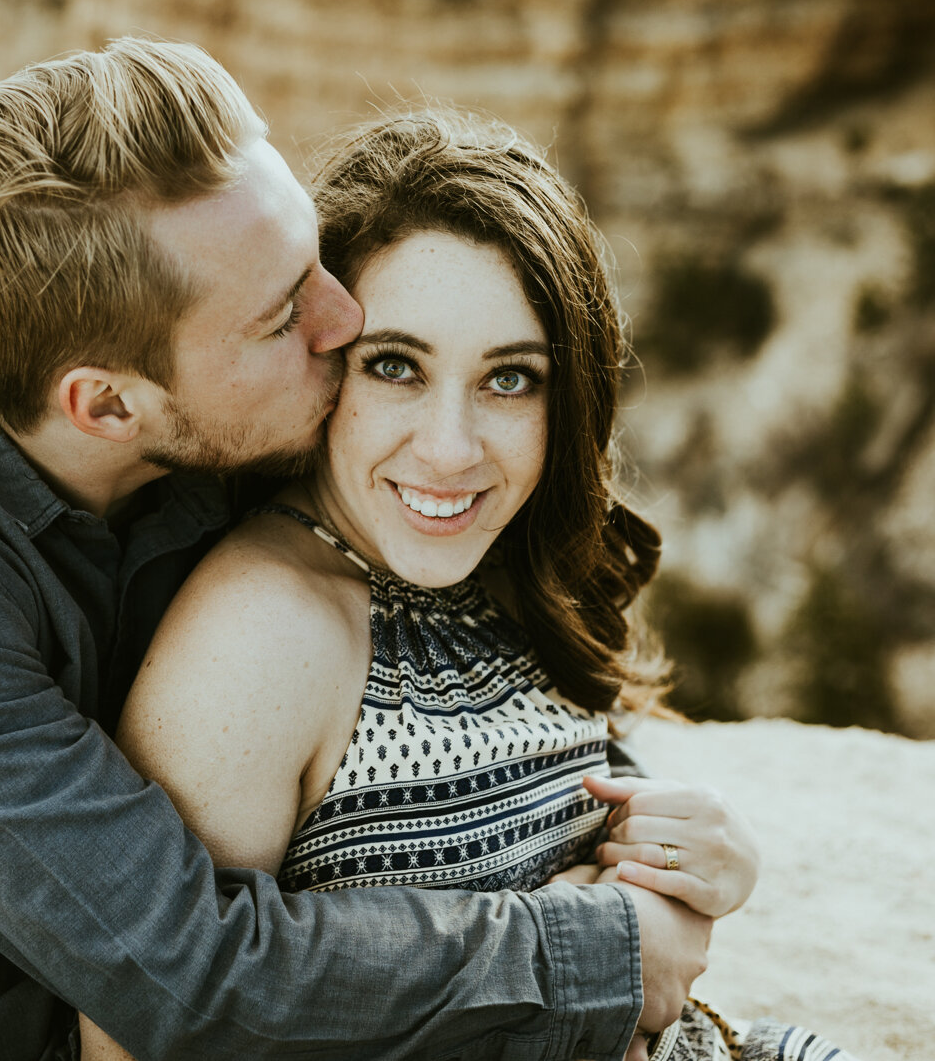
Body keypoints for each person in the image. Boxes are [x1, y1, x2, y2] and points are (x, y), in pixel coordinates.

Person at [0, 41, 705, 1061]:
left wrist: (650, 835)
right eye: (283, 315)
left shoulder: (232, 411)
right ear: (105, 404)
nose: (342, 317)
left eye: (310, 256)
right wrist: (603, 949)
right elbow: (188, 977)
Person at [80, 109, 858, 1061]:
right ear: (324, 364)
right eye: (396, 366)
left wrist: (706, 859)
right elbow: (145, 1034)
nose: (450, 450)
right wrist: (582, 953)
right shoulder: (265, 631)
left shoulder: (490, 557)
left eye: (510, 380)